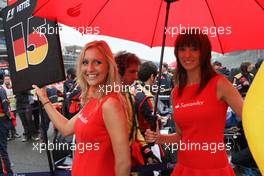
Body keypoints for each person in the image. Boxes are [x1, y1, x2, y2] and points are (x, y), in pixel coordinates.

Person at [145, 30, 243, 175]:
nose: (187, 55)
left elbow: (251, 119)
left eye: (194, 49)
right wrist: (159, 138)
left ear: (204, 53)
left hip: (214, 169)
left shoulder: (219, 84)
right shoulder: (176, 93)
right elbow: (180, 136)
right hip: (184, 168)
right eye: (182, 49)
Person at [33, 40, 131, 176]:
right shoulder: (94, 99)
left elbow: (124, 163)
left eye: (97, 62)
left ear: (108, 66)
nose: (89, 69)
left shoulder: (110, 103)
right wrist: (44, 99)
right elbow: (66, 128)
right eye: (85, 62)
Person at [115, 51, 159, 167]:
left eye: (136, 72)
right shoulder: (106, 97)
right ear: (118, 72)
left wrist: (145, 150)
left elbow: (135, 127)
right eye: (132, 72)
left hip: (130, 155)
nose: (135, 76)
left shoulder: (130, 94)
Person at [0, 74, 13, 175]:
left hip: (2, 120)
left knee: (2, 148)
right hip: (3, 120)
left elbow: (5, 105)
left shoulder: (1, 90)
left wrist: (8, 116)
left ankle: (8, 171)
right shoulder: (1, 89)